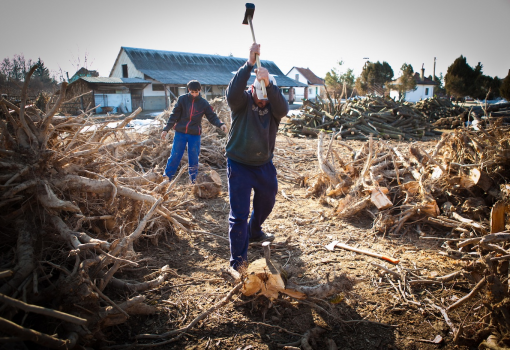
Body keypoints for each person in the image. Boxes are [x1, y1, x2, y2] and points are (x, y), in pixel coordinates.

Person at [225, 43, 289, 270]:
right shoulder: (241, 102)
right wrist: (249, 64)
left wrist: (269, 84)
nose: (262, 103)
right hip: (239, 164)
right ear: (252, 90)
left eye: (266, 100)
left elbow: (283, 108)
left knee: (268, 198)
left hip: (263, 164)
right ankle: (238, 262)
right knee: (239, 214)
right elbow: (231, 94)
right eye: (259, 97)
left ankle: (255, 230)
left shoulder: (274, 107)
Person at [161, 80, 227, 183]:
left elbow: (212, 116)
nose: (195, 94)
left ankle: (193, 181)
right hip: (180, 133)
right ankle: (166, 178)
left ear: (200, 91)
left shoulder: (203, 103)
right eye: (192, 92)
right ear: (189, 90)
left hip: (194, 134)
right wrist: (166, 129)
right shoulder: (182, 100)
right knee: (175, 155)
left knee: (193, 158)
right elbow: (174, 115)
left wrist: (220, 124)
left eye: (196, 92)